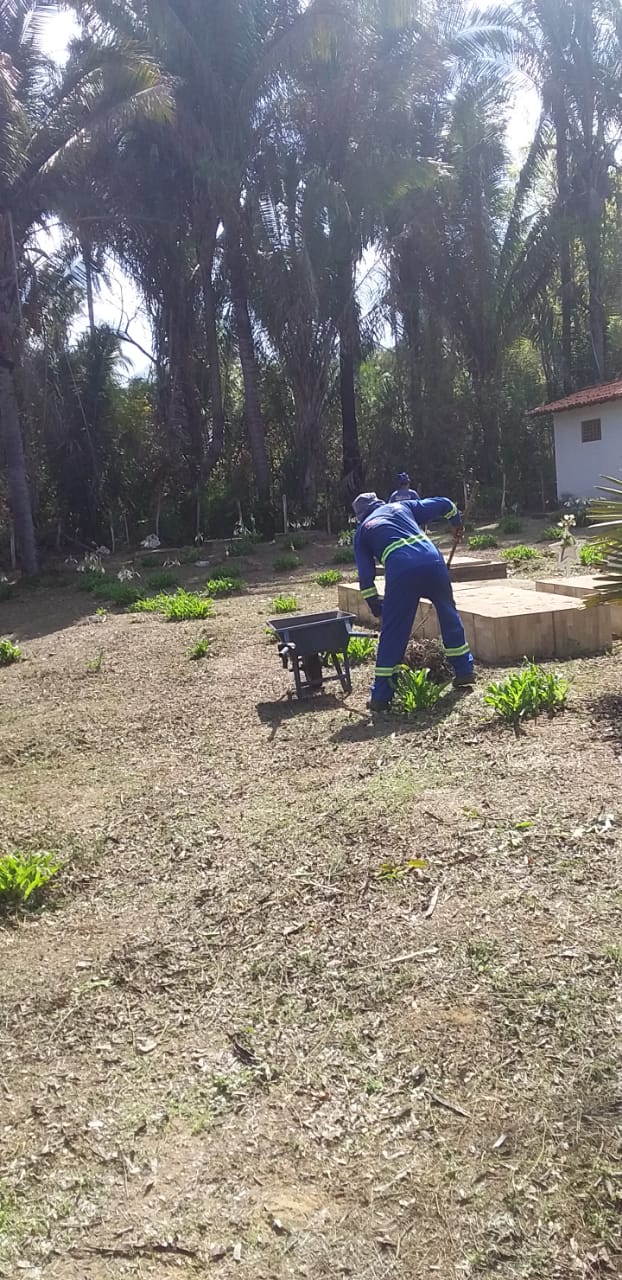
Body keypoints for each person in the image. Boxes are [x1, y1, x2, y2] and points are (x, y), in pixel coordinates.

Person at [353, 492, 475, 710]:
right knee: (449, 616)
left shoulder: (363, 530)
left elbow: (365, 575)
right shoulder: (402, 507)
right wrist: (456, 524)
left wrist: (374, 604)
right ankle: (464, 671)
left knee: (394, 632)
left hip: (401, 570)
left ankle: (381, 697)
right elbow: (446, 503)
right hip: (432, 560)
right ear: (379, 502)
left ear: (360, 516)